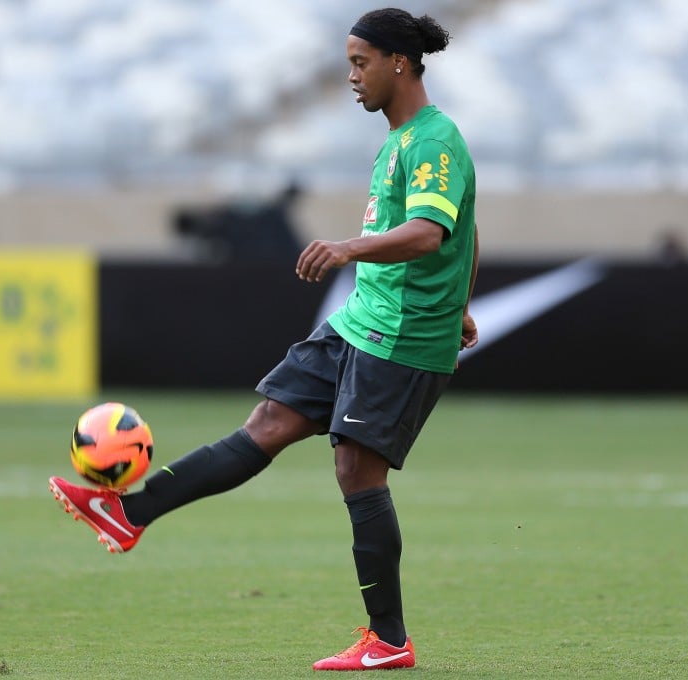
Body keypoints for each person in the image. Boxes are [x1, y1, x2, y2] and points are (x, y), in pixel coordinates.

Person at [49, 7, 478, 671]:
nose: (351, 76)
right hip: (364, 319)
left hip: (401, 336)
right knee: (271, 420)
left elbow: (432, 231)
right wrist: (463, 299)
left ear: (399, 62)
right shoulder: (399, 141)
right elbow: (465, 229)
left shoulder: (433, 140)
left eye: (361, 62)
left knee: (355, 470)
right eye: (348, 62)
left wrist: (349, 249)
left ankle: (388, 640)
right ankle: (129, 516)